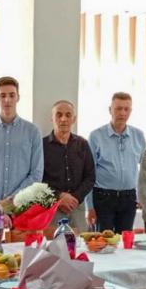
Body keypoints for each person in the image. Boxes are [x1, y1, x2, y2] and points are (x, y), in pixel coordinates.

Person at [0, 76, 43, 208]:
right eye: (2, 95)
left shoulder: (33, 132)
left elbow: (36, 174)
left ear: (18, 97)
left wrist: (12, 201)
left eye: (12, 95)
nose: (7, 100)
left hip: (21, 207)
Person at [86, 92, 146, 232]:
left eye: (126, 109)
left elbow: (145, 170)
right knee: (103, 240)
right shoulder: (96, 136)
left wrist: (142, 196)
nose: (122, 113)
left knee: (125, 239)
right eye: (118, 108)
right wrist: (89, 207)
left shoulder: (138, 135)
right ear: (110, 110)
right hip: (103, 198)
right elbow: (89, 173)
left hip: (129, 198)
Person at [42, 99, 95, 233]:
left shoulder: (83, 144)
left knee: (80, 243)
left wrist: (75, 198)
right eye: (59, 115)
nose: (63, 119)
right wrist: (59, 197)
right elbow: (38, 180)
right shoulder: (41, 146)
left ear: (74, 119)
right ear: (52, 118)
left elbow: (90, 177)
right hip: (52, 208)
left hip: (77, 208)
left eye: (68, 115)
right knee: (54, 243)